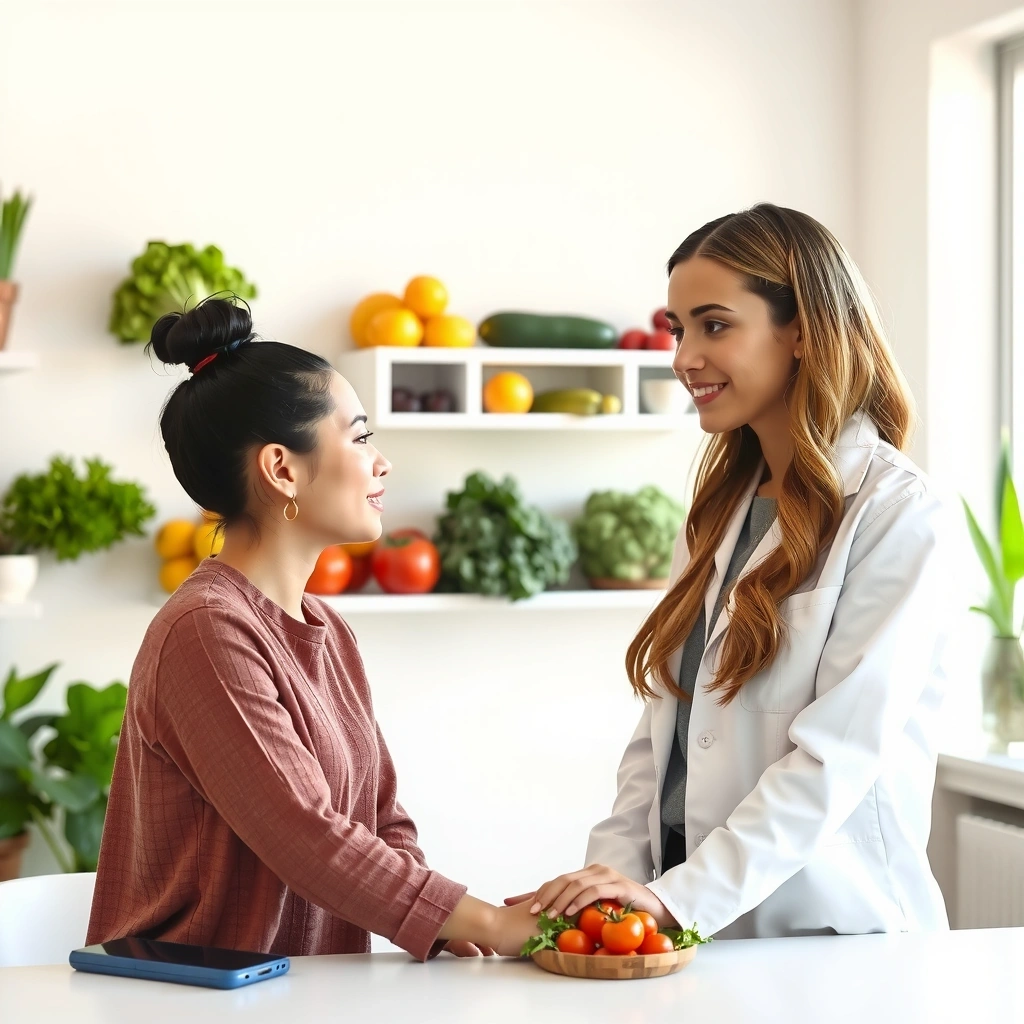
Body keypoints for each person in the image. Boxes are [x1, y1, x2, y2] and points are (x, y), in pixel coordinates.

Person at [521, 203, 956, 940]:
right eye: (677, 328)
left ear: (801, 331)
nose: (684, 356)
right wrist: (613, 882)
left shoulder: (897, 512)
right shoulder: (721, 510)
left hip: (834, 943)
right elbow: (664, 729)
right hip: (693, 929)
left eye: (714, 325)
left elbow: (836, 757)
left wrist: (678, 898)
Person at [87, 297, 537, 961]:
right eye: (358, 437)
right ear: (281, 468)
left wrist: (439, 927)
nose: (381, 461)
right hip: (197, 1004)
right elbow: (304, 833)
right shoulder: (207, 632)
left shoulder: (326, 628)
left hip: (312, 993)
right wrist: (494, 923)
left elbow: (380, 816)